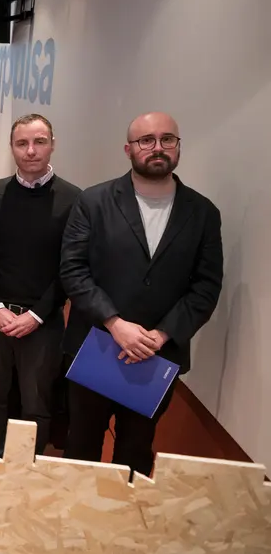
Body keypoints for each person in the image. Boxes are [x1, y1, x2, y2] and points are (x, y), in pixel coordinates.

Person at [60, 112, 222, 477]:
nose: (158, 148)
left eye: (168, 139)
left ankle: (125, 528)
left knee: (136, 450)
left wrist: (160, 335)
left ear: (178, 147)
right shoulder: (94, 201)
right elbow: (73, 270)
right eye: (146, 140)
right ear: (128, 149)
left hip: (157, 356)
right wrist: (115, 324)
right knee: (81, 446)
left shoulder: (203, 213)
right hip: (96, 345)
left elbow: (206, 286)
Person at [0, 115, 81, 456]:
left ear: (52, 144)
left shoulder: (75, 199)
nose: (31, 151)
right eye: (22, 143)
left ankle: (28, 468)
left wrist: (37, 314)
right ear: (12, 147)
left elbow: (70, 267)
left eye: (39, 142)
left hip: (43, 320)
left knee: (37, 402)